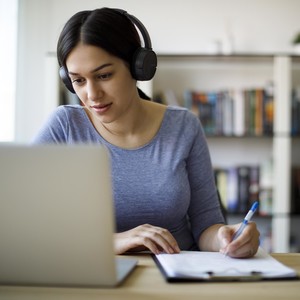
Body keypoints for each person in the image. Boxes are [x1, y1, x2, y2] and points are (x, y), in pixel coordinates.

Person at [32, 7, 260, 258]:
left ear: (138, 67)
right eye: (78, 80)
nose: (92, 94)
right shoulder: (65, 127)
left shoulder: (184, 126)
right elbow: (25, 221)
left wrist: (227, 237)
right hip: (93, 279)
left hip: (175, 278)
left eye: (104, 75)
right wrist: (113, 241)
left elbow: (206, 226)